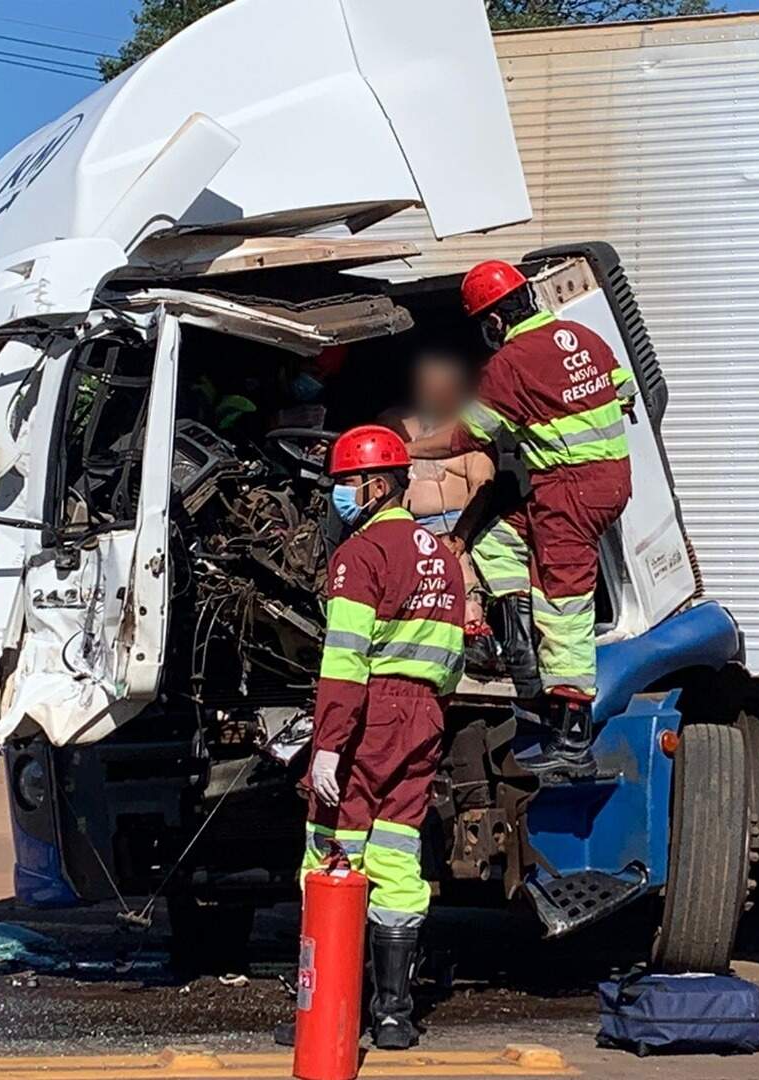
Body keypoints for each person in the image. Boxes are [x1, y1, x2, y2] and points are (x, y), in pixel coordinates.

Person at [405, 260, 635, 776]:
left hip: (569, 491)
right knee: (493, 537)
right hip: (607, 481)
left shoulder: (511, 363)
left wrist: (410, 449)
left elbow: (467, 436)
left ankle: (572, 736)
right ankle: (519, 646)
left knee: (564, 604)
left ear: (492, 322)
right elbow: (624, 391)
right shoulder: (581, 336)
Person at [301, 424, 463, 1050]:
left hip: (369, 716)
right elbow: (450, 662)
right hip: (425, 716)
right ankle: (394, 1013)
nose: (340, 495)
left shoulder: (361, 557)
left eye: (346, 483)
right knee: (398, 853)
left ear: (375, 484)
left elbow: (344, 662)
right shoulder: (440, 555)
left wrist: (328, 744)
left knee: (333, 848)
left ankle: (333, 997)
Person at [380, 349, 501, 670]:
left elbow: (482, 487)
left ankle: (474, 633)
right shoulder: (395, 423)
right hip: (400, 525)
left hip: (451, 529)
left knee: (457, 566)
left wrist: (460, 536)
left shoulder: (471, 435)